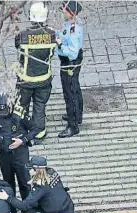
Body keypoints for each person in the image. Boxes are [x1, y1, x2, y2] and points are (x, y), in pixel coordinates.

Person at [13, 2, 56, 142]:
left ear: (31, 17)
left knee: (22, 106)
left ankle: (20, 130)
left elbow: (16, 45)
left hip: (26, 80)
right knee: (40, 105)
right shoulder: (51, 34)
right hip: (44, 79)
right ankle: (39, 132)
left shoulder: (24, 35)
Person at [0, 93, 33, 200]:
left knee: (24, 182)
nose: (3, 114)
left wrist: (22, 140)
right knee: (7, 182)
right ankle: (11, 209)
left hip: (20, 153)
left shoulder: (20, 114)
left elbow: (36, 129)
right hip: (4, 153)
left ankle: (27, 209)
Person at [0, 156, 74, 213]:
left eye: (30, 168)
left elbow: (24, 205)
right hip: (68, 207)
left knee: (27, 212)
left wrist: (7, 197)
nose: (28, 171)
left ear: (35, 169)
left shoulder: (39, 185)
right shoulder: (52, 172)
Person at [56, 0, 84, 138]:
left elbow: (72, 53)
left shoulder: (73, 30)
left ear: (71, 13)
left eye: (65, 10)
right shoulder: (73, 23)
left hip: (70, 62)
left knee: (70, 93)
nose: (62, 12)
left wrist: (60, 45)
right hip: (74, 60)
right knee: (75, 88)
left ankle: (73, 126)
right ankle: (77, 115)